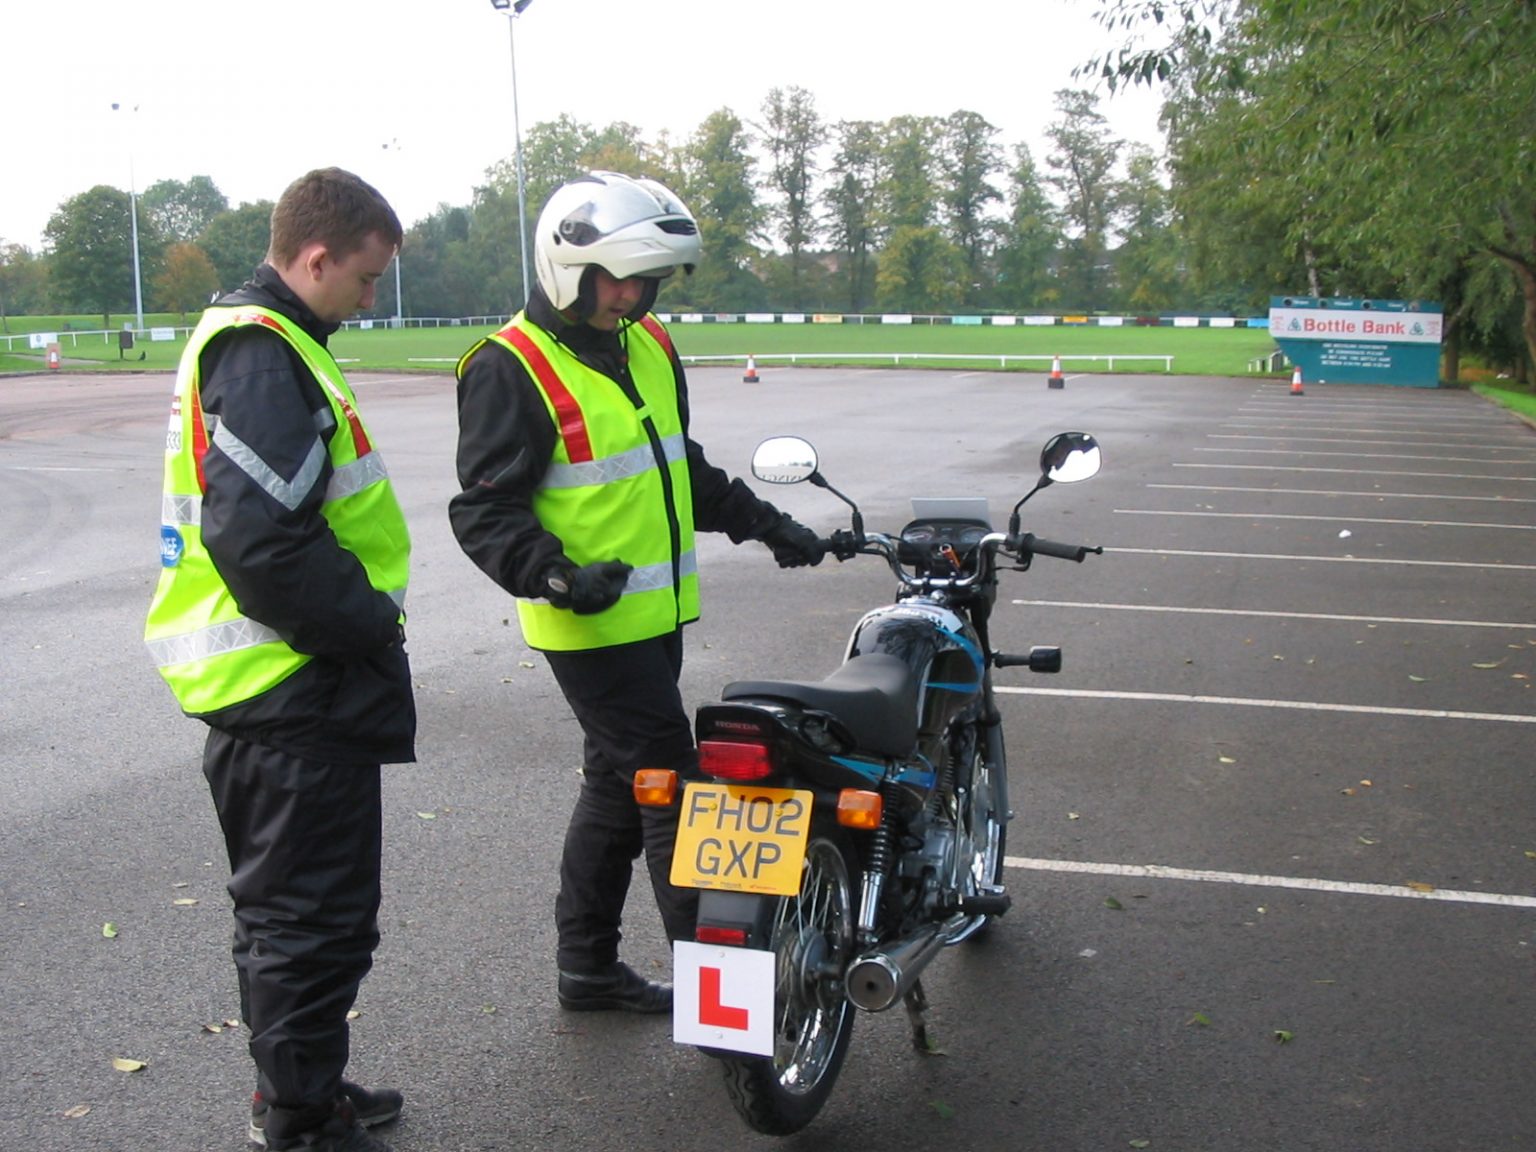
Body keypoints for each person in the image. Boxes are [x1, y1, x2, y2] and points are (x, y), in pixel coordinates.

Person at [449, 170, 823, 1014]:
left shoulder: (644, 342)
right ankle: (723, 1004)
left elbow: (674, 467)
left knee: (615, 787)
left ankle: (586, 970)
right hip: (588, 624)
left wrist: (764, 523)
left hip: (655, 616)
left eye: (646, 282)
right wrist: (554, 576)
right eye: (617, 279)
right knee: (676, 789)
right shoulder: (509, 368)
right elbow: (484, 510)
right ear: (565, 267)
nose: (631, 296)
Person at [143, 168, 413, 1152]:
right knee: (310, 920)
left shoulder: (266, 340)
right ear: (315, 258)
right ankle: (299, 1118)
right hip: (289, 683)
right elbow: (263, 546)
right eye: (366, 278)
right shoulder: (262, 354)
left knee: (304, 912)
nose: (370, 299)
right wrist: (366, 628)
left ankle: (306, 1088)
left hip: (282, 683)